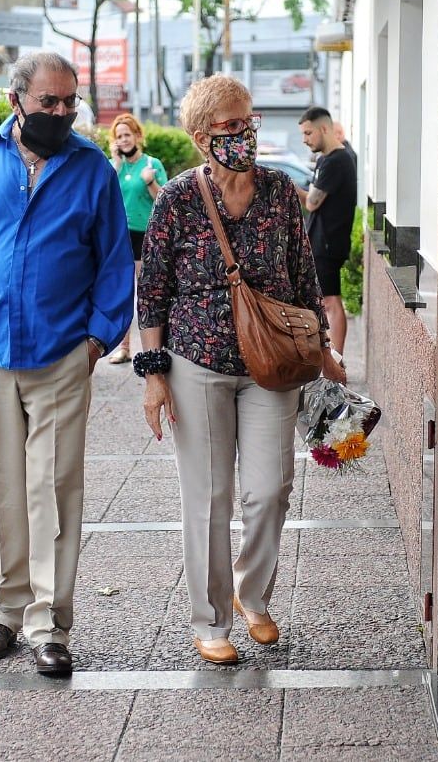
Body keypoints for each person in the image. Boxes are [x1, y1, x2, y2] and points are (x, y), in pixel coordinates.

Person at [0, 52, 133, 676]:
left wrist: (96, 341)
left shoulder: (92, 169)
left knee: (56, 489)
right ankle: (4, 612)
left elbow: (115, 263)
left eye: (70, 102)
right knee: (0, 488)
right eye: (50, 102)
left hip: (62, 353)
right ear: (18, 99)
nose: (62, 113)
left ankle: (49, 623)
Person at [137, 75, 346, 665]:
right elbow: (152, 291)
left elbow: (304, 275)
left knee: (270, 489)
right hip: (195, 363)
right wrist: (154, 376)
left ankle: (252, 595)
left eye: (249, 121)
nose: (245, 133)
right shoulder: (177, 200)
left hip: (273, 365)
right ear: (203, 137)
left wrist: (324, 348)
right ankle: (210, 620)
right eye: (232, 126)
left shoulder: (280, 191)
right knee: (208, 496)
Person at [107, 112, 168, 364]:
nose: (123, 140)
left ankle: (151, 348)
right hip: (120, 235)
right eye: (119, 136)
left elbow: (163, 199)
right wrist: (114, 164)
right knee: (123, 292)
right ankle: (124, 347)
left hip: (145, 236)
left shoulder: (151, 164)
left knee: (145, 293)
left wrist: (151, 181)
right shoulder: (116, 167)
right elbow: (105, 198)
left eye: (127, 135)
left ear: (137, 136)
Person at [296, 106, 357, 355]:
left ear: (324, 128)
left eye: (308, 133)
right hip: (321, 241)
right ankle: (330, 357)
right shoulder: (324, 160)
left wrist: (288, 186)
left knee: (330, 302)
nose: (304, 139)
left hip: (329, 243)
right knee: (324, 301)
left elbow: (311, 202)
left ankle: (337, 360)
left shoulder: (338, 160)